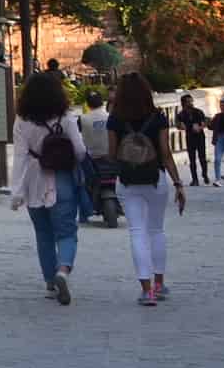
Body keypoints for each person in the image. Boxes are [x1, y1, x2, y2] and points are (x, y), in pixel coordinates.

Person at [107, 73, 188, 304]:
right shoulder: (158, 117)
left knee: (137, 232)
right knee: (156, 230)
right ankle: (160, 284)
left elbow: (112, 154)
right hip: (156, 178)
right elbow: (166, 153)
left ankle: (147, 290)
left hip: (128, 179)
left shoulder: (115, 119)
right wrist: (178, 183)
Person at [11, 69, 87, 305]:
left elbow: (20, 156)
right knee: (66, 232)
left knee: (43, 235)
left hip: (33, 180)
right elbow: (80, 151)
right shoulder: (66, 118)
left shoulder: (22, 121)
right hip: (61, 178)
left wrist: (16, 191)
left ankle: (50, 283)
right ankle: (63, 270)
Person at [175, 92, 210, 186]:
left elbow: (206, 121)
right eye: (188, 102)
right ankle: (195, 179)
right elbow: (178, 124)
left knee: (202, 157)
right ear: (183, 103)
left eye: (191, 101)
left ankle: (205, 174)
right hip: (190, 137)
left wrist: (200, 127)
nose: (190, 103)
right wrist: (181, 126)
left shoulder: (198, 111)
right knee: (192, 159)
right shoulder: (181, 114)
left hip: (200, 136)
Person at [79, 89, 112, 161]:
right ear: (102, 102)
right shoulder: (110, 116)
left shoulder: (82, 118)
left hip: (91, 157)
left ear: (87, 104)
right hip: (109, 155)